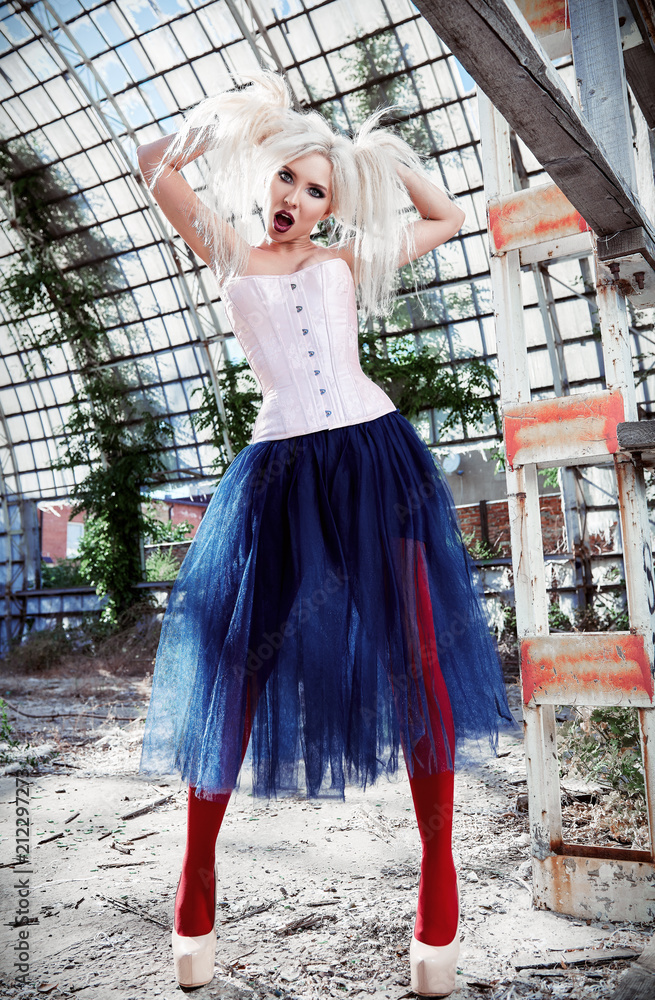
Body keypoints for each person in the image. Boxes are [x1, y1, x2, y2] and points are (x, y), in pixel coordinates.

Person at [137, 72, 513, 997]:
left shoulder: (346, 260)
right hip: (278, 475)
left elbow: (447, 215)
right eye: (287, 181)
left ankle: (437, 881)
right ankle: (196, 884)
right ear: (260, 174)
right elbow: (156, 173)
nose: (296, 203)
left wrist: (373, 159)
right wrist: (210, 138)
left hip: (375, 464)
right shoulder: (223, 250)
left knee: (416, 655)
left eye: (316, 192)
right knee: (237, 665)